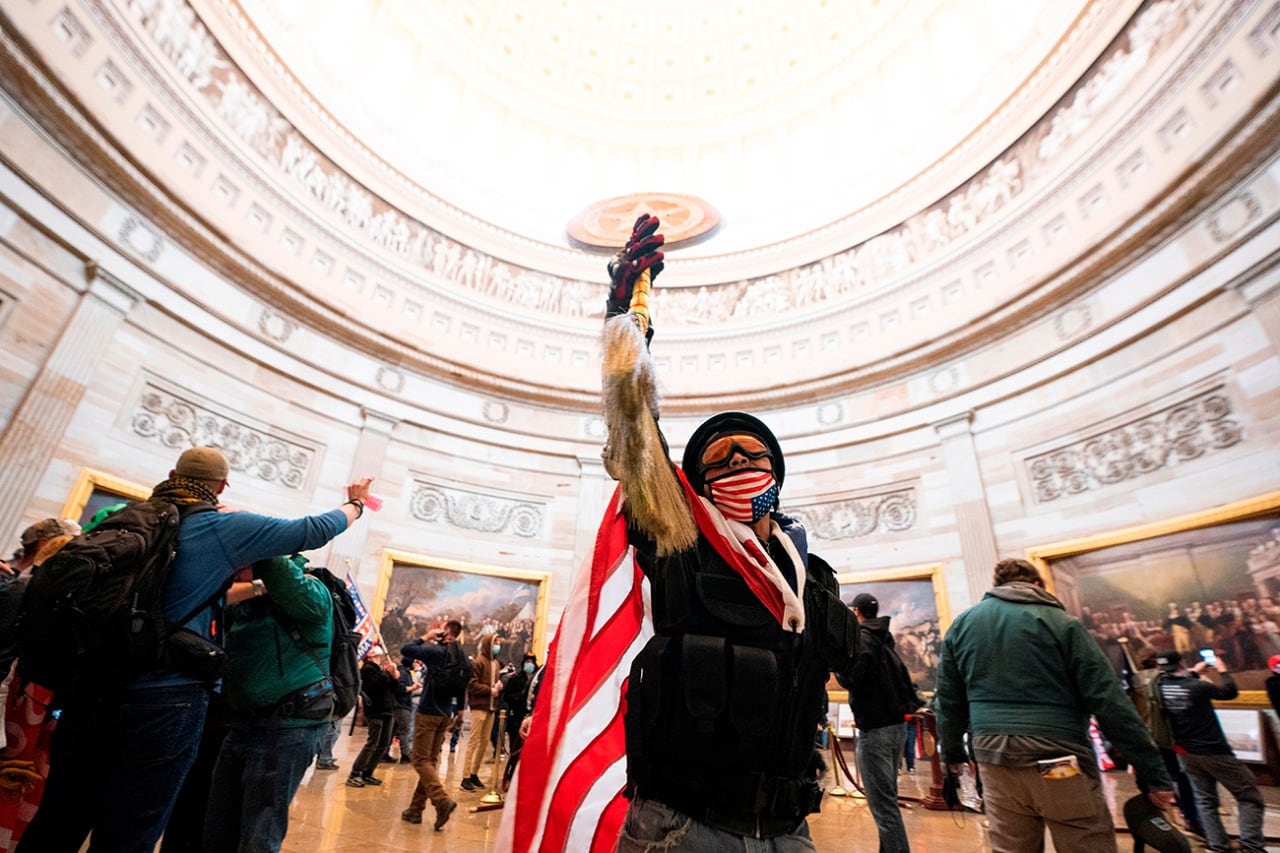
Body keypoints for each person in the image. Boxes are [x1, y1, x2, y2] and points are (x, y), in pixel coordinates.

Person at [600, 215, 860, 850]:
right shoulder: (679, 541)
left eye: (753, 455)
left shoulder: (811, 574)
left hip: (788, 827)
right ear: (695, 481)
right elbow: (636, 435)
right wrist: (625, 324)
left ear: (777, 473)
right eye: (720, 459)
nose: (740, 463)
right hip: (685, 825)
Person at [16, 446, 373, 853]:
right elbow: (314, 529)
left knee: (61, 814)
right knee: (130, 826)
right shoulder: (220, 528)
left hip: (90, 689)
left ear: (171, 473)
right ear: (221, 486)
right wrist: (356, 504)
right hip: (165, 698)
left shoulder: (121, 520)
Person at [935, 557, 1174, 853]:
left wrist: (953, 753)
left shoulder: (963, 624)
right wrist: (1153, 773)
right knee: (1084, 843)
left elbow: (947, 699)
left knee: (1011, 848)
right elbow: (1109, 701)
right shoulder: (1061, 623)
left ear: (998, 586)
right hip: (1058, 756)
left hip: (992, 756)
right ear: (1037, 585)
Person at [203, 555, 335, 852]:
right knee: (217, 827)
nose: (233, 569)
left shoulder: (312, 591)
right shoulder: (247, 602)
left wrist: (256, 540)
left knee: (259, 836)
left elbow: (282, 577)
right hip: (242, 724)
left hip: (288, 727)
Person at [1157, 650, 1266, 853]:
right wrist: (1223, 671)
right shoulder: (1198, 687)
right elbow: (1229, 692)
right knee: (1249, 796)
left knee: (1205, 800)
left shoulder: (1159, 688)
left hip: (1185, 753)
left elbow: (1180, 686)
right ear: (1182, 662)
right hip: (1213, 751)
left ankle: (1218, 847)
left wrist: (1193, 672)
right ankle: (1251, 847)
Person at [835, 593, 914, 853]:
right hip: (895, 727)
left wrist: (837, 665)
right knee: (887, 801)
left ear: (856, 612)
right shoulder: (884, 640)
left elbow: (852, 677)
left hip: (876, 730)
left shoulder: (863, 638)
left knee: (884, 808)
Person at [400, 620, 463, 831]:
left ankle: (441, 800)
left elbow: (406, 649)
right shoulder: (461, 656)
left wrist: (427, 637)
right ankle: (415, 810)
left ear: (445, 632)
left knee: (419, 760)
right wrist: (460, 712)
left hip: (428, 710)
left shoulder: (437, 652)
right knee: (430, 762)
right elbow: (407, 658)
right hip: (446, 713)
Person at [348, 650, 397, 787]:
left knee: (383, 744)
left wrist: (394, 676)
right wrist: (386, 675)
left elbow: (394, 689)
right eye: (377, 656)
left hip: (387, 710)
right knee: (372, 743)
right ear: (370, 656)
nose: (379, 658)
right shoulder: (367, 669)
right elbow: (374, 687)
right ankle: (355, 773)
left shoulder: (382, 671)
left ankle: (368, 772)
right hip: (375, 710)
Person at [460, 634, 501, 792]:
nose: (497, 645)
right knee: (474, 741)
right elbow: (471, 685)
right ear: (487, 644)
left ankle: (474, 773)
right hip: (479, 706)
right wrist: (490, 690)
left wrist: (497, 687)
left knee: (484, 743)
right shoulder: (478, 662)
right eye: (495, 642)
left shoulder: (496, 663)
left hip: (491, 707)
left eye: (498, 642)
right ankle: (465, 776)